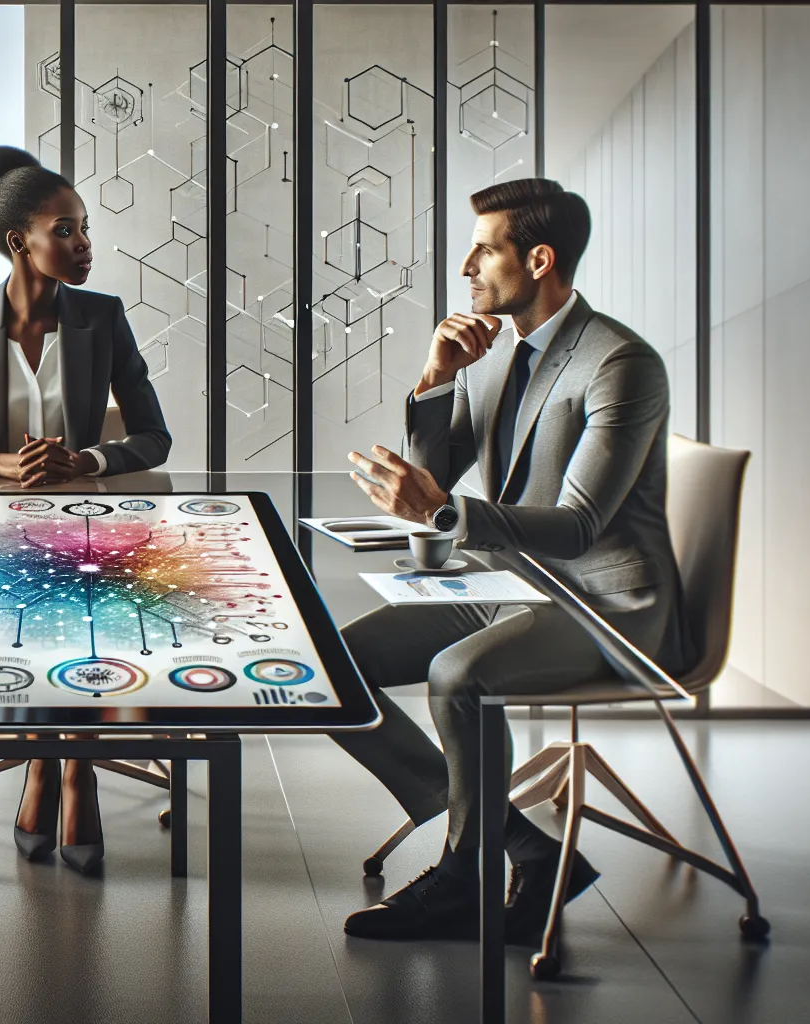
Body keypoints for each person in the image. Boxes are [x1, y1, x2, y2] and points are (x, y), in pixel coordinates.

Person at [335, 178, 685, 944]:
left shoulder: (621, 363)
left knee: (456, 675)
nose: (467, 264)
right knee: (332, 666)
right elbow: (443, 468)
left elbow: (579, 527)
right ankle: (523, 843)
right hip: (508, 583)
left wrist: (436, 511)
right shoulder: (493, 353)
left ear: (539, 259)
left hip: (599, 604)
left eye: (485, 248)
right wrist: (437, 379)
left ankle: (465, 877)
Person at [0, 145, 172, 875]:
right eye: (67, 230)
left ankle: (66, 772)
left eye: (84, 230)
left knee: (81, 600)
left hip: (88, 524)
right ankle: (48, 768)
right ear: (20, 242)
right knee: (41, 605)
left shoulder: (102, 318)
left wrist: (87, 460)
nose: (84, 246)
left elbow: (153, 436)